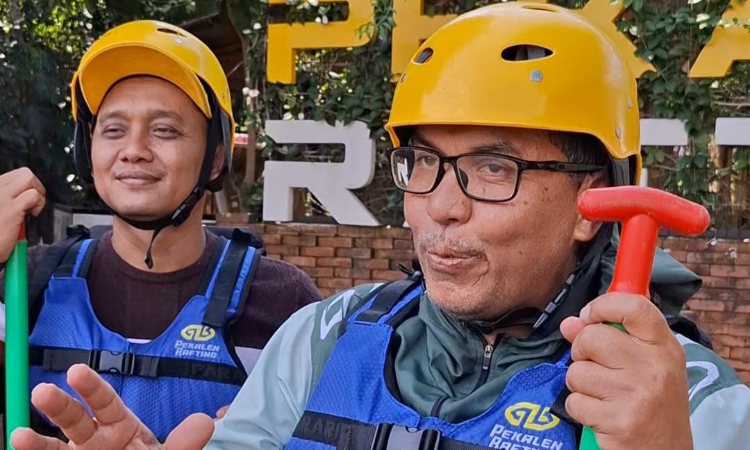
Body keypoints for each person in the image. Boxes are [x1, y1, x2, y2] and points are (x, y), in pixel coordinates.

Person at [9, 4, 750, 450]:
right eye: (424, 163)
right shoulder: (320, 339)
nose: (442, 206)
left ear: (596, 199)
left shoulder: (686, 404)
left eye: (493, 168)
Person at [0, 20, 321, 443]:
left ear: (214, 158)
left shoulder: (283, 303)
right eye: (113, 130)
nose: (133, 150)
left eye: (164, 130)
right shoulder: (26, 284)